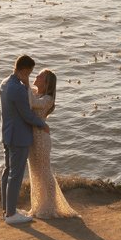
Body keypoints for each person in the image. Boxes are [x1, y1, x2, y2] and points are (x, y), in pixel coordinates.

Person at [0, 54, 47, 225]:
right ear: (25, 70)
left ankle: (7, 209)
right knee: (15, 175)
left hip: (6, 134)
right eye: (29, 72)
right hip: (19, 137)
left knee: (7, 172)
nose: (30, 75)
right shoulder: (18, 89)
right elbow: (27, 115)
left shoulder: (4, 84)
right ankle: (11, 215)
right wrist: (42, 124)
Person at [27, 68, 77, 219]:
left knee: (45, 172)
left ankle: (50, 207)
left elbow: (33, 103)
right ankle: (39, 206)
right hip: (32, 139)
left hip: (41, 138)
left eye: (40, 75)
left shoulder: (48, 99)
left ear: (46, 82)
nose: (36, 76)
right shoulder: (36, 93)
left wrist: (24, 82)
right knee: (35, 172)